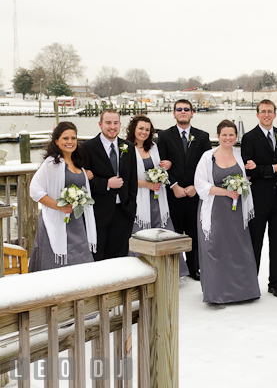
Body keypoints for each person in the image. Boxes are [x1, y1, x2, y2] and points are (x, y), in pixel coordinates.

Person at [195, 120, 260, 304]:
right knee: (214, 248)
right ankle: (216, 293)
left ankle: (244, 292)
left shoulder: (240, 156)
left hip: (236, 212)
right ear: (218, 135)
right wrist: (226, 192)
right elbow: (200, 185)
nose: (228, 138)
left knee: (239, 248)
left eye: (231, 135)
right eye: (224, 134)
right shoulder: (208, 157)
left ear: (236, 136)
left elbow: (247, 178)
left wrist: (244, 182)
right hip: (215, 210)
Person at [241, 99, 277, 298]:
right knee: (255, 244)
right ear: (257, 114)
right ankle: (250, 284)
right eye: (263, 111)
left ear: (274, 114)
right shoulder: (249, 137)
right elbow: (249, 171)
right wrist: (272, 169)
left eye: (270, 111)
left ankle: (275, 283)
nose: (266, 115)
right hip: (258, 199)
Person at [126, 114, 189, 277]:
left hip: (157, 198)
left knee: (163, 232)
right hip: (140, 199)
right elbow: (126, 177)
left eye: (147, 129)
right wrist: (147, 184)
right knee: (141, 233)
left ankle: (169, 272)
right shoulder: (125, 148)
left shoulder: (154, 147)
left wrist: (167, 164)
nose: (144, 132)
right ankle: (141, 273)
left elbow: (163, 164)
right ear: (133, 129)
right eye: (141, 128)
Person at [29, 122, 97, 271]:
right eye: (65, 138)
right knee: (55, 262)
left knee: (81, 259)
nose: (70, 142)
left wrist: (86, 176)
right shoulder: (52, 163)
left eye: (73, 138)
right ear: (56, 141)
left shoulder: (78, 162)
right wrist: (59, 205)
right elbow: (35, 190)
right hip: (56, 220)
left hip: (76, 221)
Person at [157, 100, 212, 280]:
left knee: (194, 232)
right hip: (173, 193)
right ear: (174, 113)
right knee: (173, 232)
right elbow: (161, 165)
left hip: (195, 193)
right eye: (179, 109)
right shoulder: (164, 137)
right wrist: (174, 185)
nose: (182, 112)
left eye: (186, 109)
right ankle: (174, 270)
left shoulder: (202, 137)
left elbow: (207, 165)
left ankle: (193, 268)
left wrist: (196, 187)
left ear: (192, 113)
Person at [82, 110, 138, 260]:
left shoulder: (129, 147)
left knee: (120, 256)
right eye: (108, 123)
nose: (112, 127)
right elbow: (83, 181)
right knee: (99, 256)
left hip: (124, 211)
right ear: (100, 125)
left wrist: (131, 205)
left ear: (120, 125)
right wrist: (106, 183)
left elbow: (132, 180)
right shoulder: (87, 148)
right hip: (99, 211)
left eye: (115, 123)